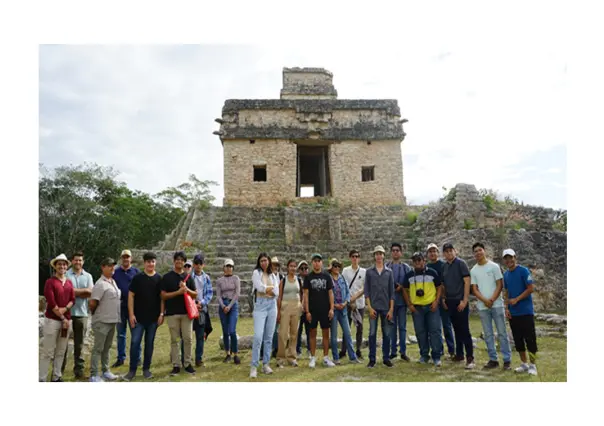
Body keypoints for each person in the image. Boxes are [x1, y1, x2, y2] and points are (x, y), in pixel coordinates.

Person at [471, 242, 512, 370]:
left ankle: (506, 360)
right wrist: (485, 300)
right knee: (488, 333)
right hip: (483, 307)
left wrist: (492, 299)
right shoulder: (473, 270)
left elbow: (499, 284)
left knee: (502, 332)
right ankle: (493, 359)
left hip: (497, 304)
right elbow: (475, 289)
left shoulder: (494, 266)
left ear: (484, 251)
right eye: (475, 251)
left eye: (480, 250)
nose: (478, 253)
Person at [123, 252, 164, 381]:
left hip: (153, 319)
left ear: (155, 263)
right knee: (135, 343)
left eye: (152, 261)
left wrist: (162, 314)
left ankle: (146, 369)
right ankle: (132, 370)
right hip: (138, 318)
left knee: (149, 344)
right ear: (144, 263)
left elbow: (162, 298)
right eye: (148, 262)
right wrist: (131, 314)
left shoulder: (159, 279)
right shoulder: (138, 278)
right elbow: (131, 296)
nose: (150, 264)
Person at [402, 252, 443, 367]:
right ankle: (424, 355)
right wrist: (409, 304)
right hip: (417, 308)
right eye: (415, 261)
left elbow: (439, 287)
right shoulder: (409, 275)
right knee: (420, 332)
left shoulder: (432, 272)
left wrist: (436, 301)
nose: (417, 263)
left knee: (435, 331)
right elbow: (404, 289)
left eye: (419, 260)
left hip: (431, 306)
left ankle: (436, 356)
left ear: (424, 260)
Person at [160, 251, 198, 376]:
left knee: (188, 339)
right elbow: (163, 296)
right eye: (177, 259)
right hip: (172, 313)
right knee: (175, 340)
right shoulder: (167, 277)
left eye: (182, 260)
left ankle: (187, 363)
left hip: (186, 313)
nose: (179, 262)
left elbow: (195, 294)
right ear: (174, 261)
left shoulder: (189, 277)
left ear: (184, 262)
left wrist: (186, 289)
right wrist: (178, 292)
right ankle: (176, 365)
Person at [502, 249, 538, 376]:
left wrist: (517, 299)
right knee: (518, 340)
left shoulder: (523, 271)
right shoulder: (506, 275)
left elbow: (531, 288)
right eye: (506, 258)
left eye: (510, 257)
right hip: (513, 313)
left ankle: (533, 365)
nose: (508, 260)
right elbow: (506, 292)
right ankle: (524, 363)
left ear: (515, 257)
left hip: (526, 312)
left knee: (530, 339)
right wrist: (506, 308)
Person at [39, 253, 75, 382]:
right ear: (55, 266)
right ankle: (42, 378)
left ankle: (56, 376)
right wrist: (62, 317)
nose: (62, 266)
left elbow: (72, 299)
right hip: (53, 321)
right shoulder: (50, 282)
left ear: (67, 267)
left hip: (66, 321)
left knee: (61, 351)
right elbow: (52, 302)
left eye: (64, 264)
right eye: (59, 264)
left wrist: (65, 310)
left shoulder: (69, 283)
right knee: (48, 351)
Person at [441, 243, 475, 369]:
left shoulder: (461, 264)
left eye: (451, 251)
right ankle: (459, 354)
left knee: (464, 330)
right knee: (456, 329)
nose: (449, 253)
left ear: (455, 251)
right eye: (446, 251)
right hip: (450, 301)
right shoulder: (444, 267)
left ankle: (470, 357)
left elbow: (467, 282)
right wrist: (444, 298)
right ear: (444, 254)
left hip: (460, 301)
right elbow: (443, 284)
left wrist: (465, 300)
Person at [61, 251, 93, 379]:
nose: (78, 262)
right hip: (67, 314)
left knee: (80, 344)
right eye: (75, 260)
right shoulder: (65, 274)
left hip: (82, 314)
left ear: (83, 262)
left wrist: (72, 292)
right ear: (72, 261)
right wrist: (82, 292)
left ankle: (79, 372)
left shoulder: (88, 276)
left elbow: (90, 292)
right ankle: (59, 372)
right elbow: (63, 291)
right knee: (62, 344)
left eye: (80, 260)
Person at [89, 258, 121, 382]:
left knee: (107, 348)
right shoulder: (100, 284)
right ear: (103, 267)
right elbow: (93, 303)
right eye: (109, 266)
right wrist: (98, 317)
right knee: (98, 348)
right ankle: (94, 375)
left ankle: (105, 371)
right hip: (102, 321)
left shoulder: (112, 281)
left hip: (112, 321)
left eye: (113, 266)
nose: (112, 268)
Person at [303, 253, 336, 368]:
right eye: (315, 261)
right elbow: (305, 295)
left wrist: (332, 308)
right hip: (312, 310)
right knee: (312, 333)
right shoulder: (308, 277)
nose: (317, 263)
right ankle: (312, 357)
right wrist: (307, 311)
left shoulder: (327, 276)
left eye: (319, 261)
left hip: (325, 309)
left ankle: (326, 357)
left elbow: (330, 293)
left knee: (326, 333)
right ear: (312, 263)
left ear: (322, 263)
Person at [364, 245, 395, 368]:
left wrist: (391, 309)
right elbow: (367, 291)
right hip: (374, 307)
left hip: (386, 307)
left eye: (380, 254)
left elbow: (392, 292)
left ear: (383, 255)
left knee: (386, 334)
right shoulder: (369, 272)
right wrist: (369, 308)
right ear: (374, 256)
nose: (378, 256)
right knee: (372, 333)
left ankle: (386, 358)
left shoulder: (389, 272)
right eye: (376, 254)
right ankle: (372, 359)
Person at [250, 253, 279, 378]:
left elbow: (277, 292)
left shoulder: (273, 275)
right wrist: (270, 289)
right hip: (260, 306)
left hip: (272, 306)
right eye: (261, 260)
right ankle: (254, 365)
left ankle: (266, 364)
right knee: (258, 337)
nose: (264, 263)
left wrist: (269, 289)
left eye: (265, 260)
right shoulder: (256, 273)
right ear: (259, 262)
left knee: (269, 337)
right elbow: (259, 288)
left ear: (269, 262)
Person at [181, 254, 213, 367]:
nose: (198, 266)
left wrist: (202, 303)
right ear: (193, 264)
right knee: (186, 336)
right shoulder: (188, 277)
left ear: (203, 265)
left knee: (200, 336)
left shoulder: (207, 278)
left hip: (201, 310)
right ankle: (184, 359)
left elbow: (209, 293)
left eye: (200, 263)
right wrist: (193, 304)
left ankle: (198, 359)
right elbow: (185, 292)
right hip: (189, 309)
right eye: (196, 263)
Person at [328, 258, 360, 365]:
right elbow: (327, 295)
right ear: (331, 267)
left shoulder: (342, 278)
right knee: (334, 334)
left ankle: (352, 356)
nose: (337, 268)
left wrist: (346, 303)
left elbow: (347, 292)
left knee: (347, 333)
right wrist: (334, 305)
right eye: (335, 266)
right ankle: (335, 357)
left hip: (343, 309)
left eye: (338, 266)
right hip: (334, 309)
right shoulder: (329, 279)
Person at [111, 249, 140, 368]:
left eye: (127, 257)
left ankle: (137, 358)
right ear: (121, 258)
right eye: (124, 257)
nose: (125, 259)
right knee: (121, 334)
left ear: (131, 258)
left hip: (133, 307)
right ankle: (121, 358)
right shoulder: (116, 273)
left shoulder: (136, 272)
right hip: (120, 307)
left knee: (136, 334)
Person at [426, 243, 455, 360]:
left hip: (443, 300)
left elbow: (445, 283)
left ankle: (452, 350)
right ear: (428, 254)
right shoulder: (426, 267)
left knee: (447, 325)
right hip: (431, 299)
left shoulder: (443, 265)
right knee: (434, 327)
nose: (432, 253)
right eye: (430, 252)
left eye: (434, 251)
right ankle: (439, 349)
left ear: (438, 253)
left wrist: (443, 298)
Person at [386, 243, 412, 362]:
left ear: (401, 252)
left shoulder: (406, 267)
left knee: (402, 327)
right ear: (391, 253)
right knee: (392, 327)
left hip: (402, 301)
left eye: (397, 250)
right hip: (390, 303)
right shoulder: (386, 267)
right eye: (393, 250)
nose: (395, 252)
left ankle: (403, 351)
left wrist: (402, 287)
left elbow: (410, 283)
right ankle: (393, 351)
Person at [341, 249, 366, 360]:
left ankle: (358, 350)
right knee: (347, 327)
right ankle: (343, 350)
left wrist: (355, 298)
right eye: (353, 256)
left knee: (359, 328)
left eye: (357, 256)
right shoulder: (345, 271)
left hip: (359, 303)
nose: (355, 258)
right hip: (348, 303)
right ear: (350, 258)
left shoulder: (364, 272)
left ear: (359, 258)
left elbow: (365, 288)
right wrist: (349, 299)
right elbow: (343, 286)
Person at [277, 259, 303, 367]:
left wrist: (301, 305)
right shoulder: (283, 280)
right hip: (285, 307)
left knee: (294, 333)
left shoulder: (299, 280)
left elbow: (301, 294)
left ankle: (292, 357)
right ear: (287, 268)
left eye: (294, 266)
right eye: (291, 266)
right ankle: (281, 358)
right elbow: (279, 296)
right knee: (283, 333)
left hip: (296, 307)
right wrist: (278, 311)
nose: (292, 268)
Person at [215, 258, 241, 365]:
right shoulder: (219, 280)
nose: (229, 268)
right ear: (224, 268)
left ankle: (235, 354)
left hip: (232, 305)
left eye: (231, 266)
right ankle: (228, 354)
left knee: (232, 331)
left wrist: (229, 306)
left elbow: (237, 293)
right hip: (223, 305)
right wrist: (223, 306)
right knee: (225, 331)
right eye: (227, 266)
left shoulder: (236, 278)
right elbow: (218, 295)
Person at [295, 260, 311, 357]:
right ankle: (298, 350)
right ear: (299, 270)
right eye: (302, 268)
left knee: (309, 330)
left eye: (306, 268)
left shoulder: (310, 279)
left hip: (308, 308)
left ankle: (309, 349)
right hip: (298, 308)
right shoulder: (296, 280)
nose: (304, 270)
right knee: (298, 330)